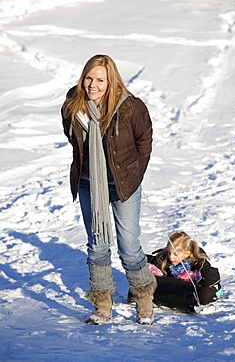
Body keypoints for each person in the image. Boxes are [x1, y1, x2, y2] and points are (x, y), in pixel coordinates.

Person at [61, 54, 156, 325]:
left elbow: (144, 140)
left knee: (129, 246)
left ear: (111, 81)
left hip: (124, 186)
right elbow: (72, 139)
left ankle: (143, 298)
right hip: (89, 185)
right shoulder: (73, 106)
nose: (93, 85)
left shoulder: (130, 107)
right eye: (89, 78)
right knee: (97, 245)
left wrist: (135, 173)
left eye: (100, 80)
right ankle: (103, 304)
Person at [131, 231, 222, 312]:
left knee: (204, 295)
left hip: (191, 291)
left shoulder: (197, 262)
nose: (171, 257)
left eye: (176, 254)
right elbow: (151, 260)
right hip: (175, 288)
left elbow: (213, 276)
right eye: (169, 252)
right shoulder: (164, 259)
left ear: (187, 253)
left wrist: (199, 280)